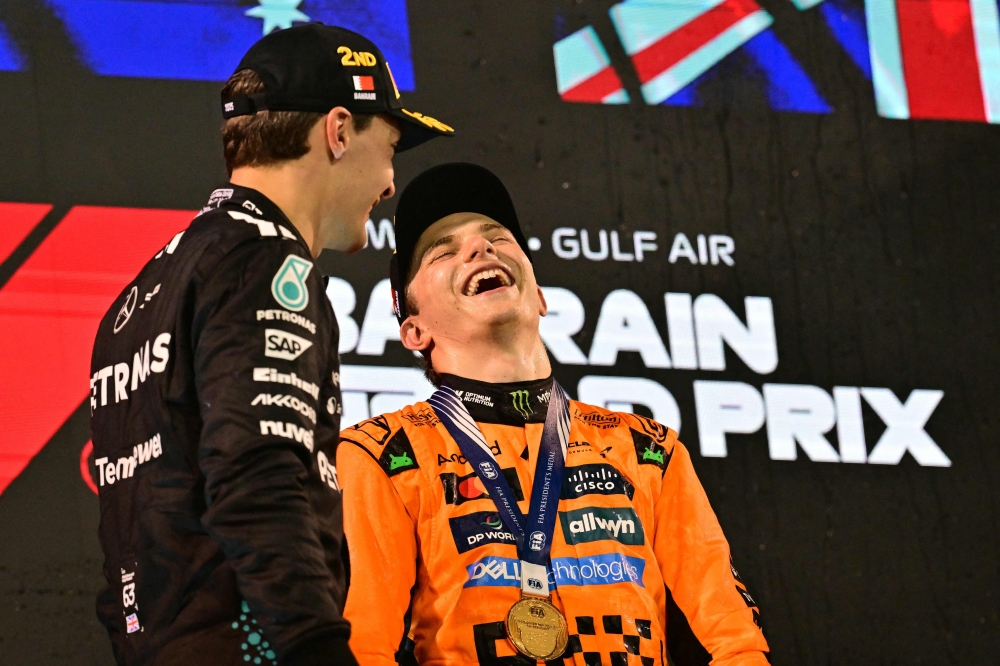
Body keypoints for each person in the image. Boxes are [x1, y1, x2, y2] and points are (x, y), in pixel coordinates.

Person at [89, 24, 452, 666]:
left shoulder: (139, 295)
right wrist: (315, 649)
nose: (391, 183)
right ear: (339, 132)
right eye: (390, 146)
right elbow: (256, 476)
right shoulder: (265, 262)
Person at [337, 163, 770, 666]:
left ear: (540, 297)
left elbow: (737, 643)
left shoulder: (648, 449)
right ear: (414, 331)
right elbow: (360, 649)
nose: (480, 250)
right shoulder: (384, 455)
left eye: (496, 238)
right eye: (445, 251)